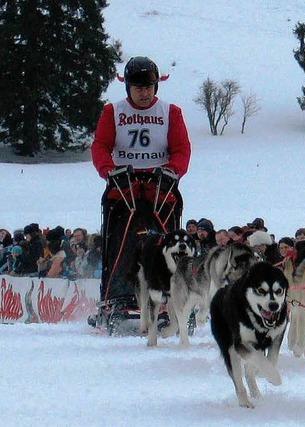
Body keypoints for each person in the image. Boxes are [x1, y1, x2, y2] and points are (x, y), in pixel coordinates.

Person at [90, 56, 191, 312]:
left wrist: (174, 171)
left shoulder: (171, 112)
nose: (144, 93)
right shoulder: (113, 111)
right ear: (128, 88)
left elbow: (181, 149)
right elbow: (101, 146)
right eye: (138, 88)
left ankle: (167, 296)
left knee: (163, 244)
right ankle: (118, 295)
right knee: (122, 241)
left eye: (148, 87)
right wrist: (109, 170)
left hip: (160, 189)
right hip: (124, 189)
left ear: (155, 87)